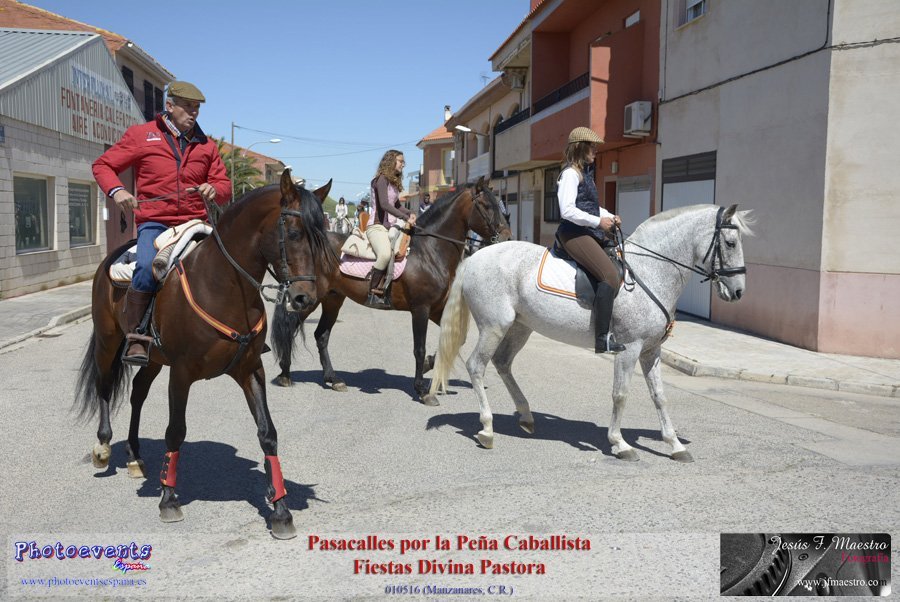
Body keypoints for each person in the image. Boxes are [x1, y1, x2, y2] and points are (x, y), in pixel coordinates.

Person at [93, 80, 232, 365]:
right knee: (146, 267)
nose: (193, 113)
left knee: (231, 264)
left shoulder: (206, 146)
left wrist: (214, 189)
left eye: (196, 108)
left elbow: (224, 185)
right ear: (170, 106)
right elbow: (103, 165)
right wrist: (118, 191)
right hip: (155, 224)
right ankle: (137, 336)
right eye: (187, 106)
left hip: (196, 223)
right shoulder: (141, 136)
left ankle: (240, 330)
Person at [555, 127, 625, 354]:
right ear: (580, 147)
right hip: (572, 233)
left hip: (587, 231)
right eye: (592, 146)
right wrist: (598, 222)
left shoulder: (586, 175)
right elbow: (567, 210)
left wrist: (609, 216)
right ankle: (602, 338)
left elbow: (591, 207)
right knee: (610, 276)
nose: (595, 150)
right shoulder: (570, 174)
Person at [366, 150, 417, 308]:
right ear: (391, 161)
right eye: (400, 161)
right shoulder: (381, 179)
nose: (403, 164)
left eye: (403, 162)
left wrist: (411, 213)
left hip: (389, 226)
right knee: (385, 254)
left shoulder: (393, 183)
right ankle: (372, 293)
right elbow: (384, 205)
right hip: (376, 227)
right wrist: (405, 218)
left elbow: (397, 206)